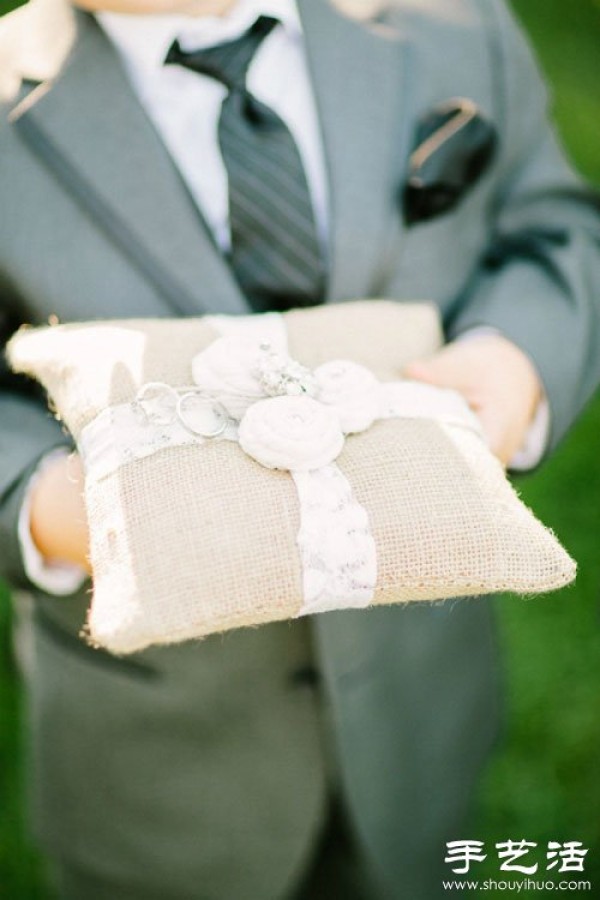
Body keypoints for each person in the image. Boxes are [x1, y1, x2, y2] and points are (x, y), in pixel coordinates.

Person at [0, 0, 599, 897]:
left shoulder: (453, 26)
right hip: (156, 756)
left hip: (416, 697)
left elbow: (554, 225)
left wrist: (520, 358)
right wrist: (44, 507)